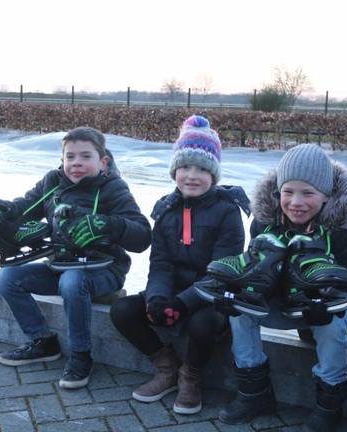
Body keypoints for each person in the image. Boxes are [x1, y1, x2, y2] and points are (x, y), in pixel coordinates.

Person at [0, 127, 151, 390]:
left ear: (103, 162)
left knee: (72, 281)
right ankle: (43, 341)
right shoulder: (52, 182)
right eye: (70, 157)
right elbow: (21, 209)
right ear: (63, 159)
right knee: (6, 278)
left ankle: (81, 355)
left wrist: (109, 225)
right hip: (60, 264)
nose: (76, 163)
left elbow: (143, 236)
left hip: (106, 269)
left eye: (86, 156)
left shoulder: (113, 188)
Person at [217, 144, 347, 431]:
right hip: (280, 300)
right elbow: (254, 272)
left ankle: (329, 404)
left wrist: (324, 299)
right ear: (277, 192)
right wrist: (236, 292)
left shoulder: (343, 231)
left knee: (332, 323)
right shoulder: (263, 223)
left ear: (326, 196)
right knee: (239, 308)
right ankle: (254, 392)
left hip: (328, 304)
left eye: (308, 193)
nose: (296, 202)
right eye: (288, 191)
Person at [110, 115, 250, 414]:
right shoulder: (166, 210)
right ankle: (167, 367)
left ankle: (191, 376)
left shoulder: (228, 211)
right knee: (122, 310)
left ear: (214, 174)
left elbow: (223, 270)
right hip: (173, 291)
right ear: (175, 170)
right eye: (185, 167)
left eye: (202, 168)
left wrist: (183, 304)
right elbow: (160, 263)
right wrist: (159, 298)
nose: (192, 175)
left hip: (213, 296)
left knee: (203, 323)